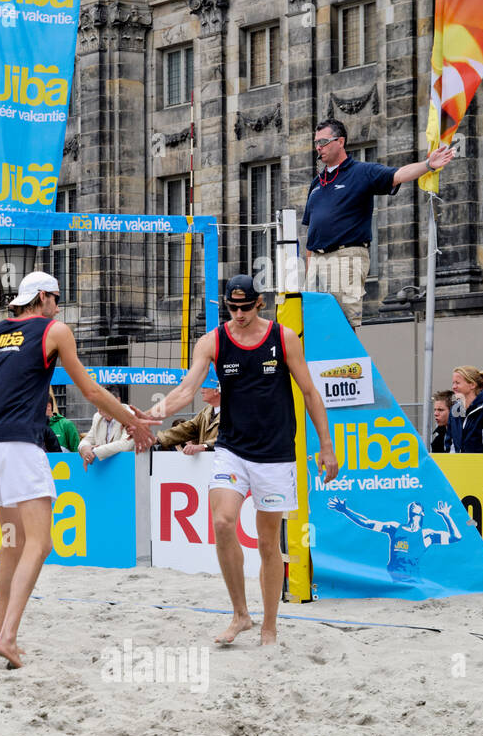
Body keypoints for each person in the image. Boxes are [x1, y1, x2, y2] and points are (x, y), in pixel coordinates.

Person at [0, 271, 158, 670]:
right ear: (42, 297)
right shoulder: (54, 330)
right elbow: (92, 392)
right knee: (40, 544)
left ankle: (1, 632)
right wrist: (131, 421)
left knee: (10, 544)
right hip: (21, 445)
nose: (59, 306)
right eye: (56, 298)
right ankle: (8, 637)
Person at [150, 274, 338, 646]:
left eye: (245, 307)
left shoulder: (283, 338)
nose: (238, 314)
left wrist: (327, 446)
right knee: (222, 522)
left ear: (259, 304)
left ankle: (269, 627)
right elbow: (188, 388)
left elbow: (311, 393)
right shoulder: (213, 341)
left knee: (268, 544)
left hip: (275, 453)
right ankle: (240, 615)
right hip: (232, 448)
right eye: (232, 308)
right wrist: (156, 411)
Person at [303, 118, 455, 327]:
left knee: (344, 321)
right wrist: (309, 269)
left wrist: (428, 165)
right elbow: (312, 230)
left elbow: (398, 174)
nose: (318, 148)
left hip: (346, 257)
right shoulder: (317, 183)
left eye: (323, 142)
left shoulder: (361, 172)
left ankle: (346, 360)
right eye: (316, 143)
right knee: (313, 320)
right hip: (318, 261)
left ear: (340, 141)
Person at [327, 498, 461, 584]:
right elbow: (366, 523)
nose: (414, 504)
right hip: (394, 581)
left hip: (414, 582)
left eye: (418, 505)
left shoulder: (427, 535)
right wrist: (345, 510)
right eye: (412, 505)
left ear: (422, 513)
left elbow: (456, 537)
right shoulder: (395, 527)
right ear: (409, 511)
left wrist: (447, 516)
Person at [154, 386, 220, 455]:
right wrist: (159, 439)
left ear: (216, 390)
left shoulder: (231, 413)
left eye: (205, 387)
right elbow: (187, 428)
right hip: (209, 462)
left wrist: (204, 446)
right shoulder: (206, 411)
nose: (201, 390)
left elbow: (228, 439)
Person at [77, 402, 137, 471]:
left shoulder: (129, 415)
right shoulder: (97, 417)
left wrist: (94, 451)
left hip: (127, 469)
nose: (98, 408)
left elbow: (125, 445)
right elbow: (88, 439)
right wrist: (84, 448)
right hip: (103, 470)